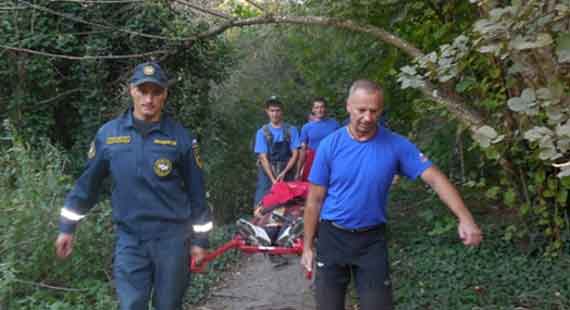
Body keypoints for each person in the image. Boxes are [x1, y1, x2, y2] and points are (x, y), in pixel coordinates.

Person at [301, 80, 482, 310]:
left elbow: (436, 179)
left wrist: (465, 218)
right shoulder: (330, 145)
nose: (367, 117)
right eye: (361, 110)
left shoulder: (396, 145)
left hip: (371, 241)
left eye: (374, 111)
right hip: (332, 237)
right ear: (348, 106)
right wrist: (307, 246)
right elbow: (314, 200)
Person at [54, 62, 213, 310]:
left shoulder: (181, 138)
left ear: (165, 95)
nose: (148, 99)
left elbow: (197, 194)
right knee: (131, 305)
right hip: (130, 240)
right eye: (143, 91)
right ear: (132, 91)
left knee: (169, 305)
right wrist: (67, 227)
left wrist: (200, 242)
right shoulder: (109, 135)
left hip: (172, 241)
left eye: (156, 92)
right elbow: (87, 185)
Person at [253, 96, 300, 207]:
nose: (275, 114)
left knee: (289, 204)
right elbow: (263, 157)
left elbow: (295, 154)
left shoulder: (291, 130)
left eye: (277, 110)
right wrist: (273, 179)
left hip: (286, 171)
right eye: (272, 111)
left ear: (282, 111)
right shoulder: (262, 132)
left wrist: (285, 172)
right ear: (267, 112)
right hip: (267, 173)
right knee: (261, 204)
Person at [296, 98, 340, 181]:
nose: (320, 110)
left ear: (325, 108)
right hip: (312, 161)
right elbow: (303, 150)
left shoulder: (334, 124)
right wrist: (298, 171)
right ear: (313, 110)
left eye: (322, 107)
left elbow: (340, 146)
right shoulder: (306, 127)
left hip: (331, 160)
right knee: (310, 187)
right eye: (317, 107)